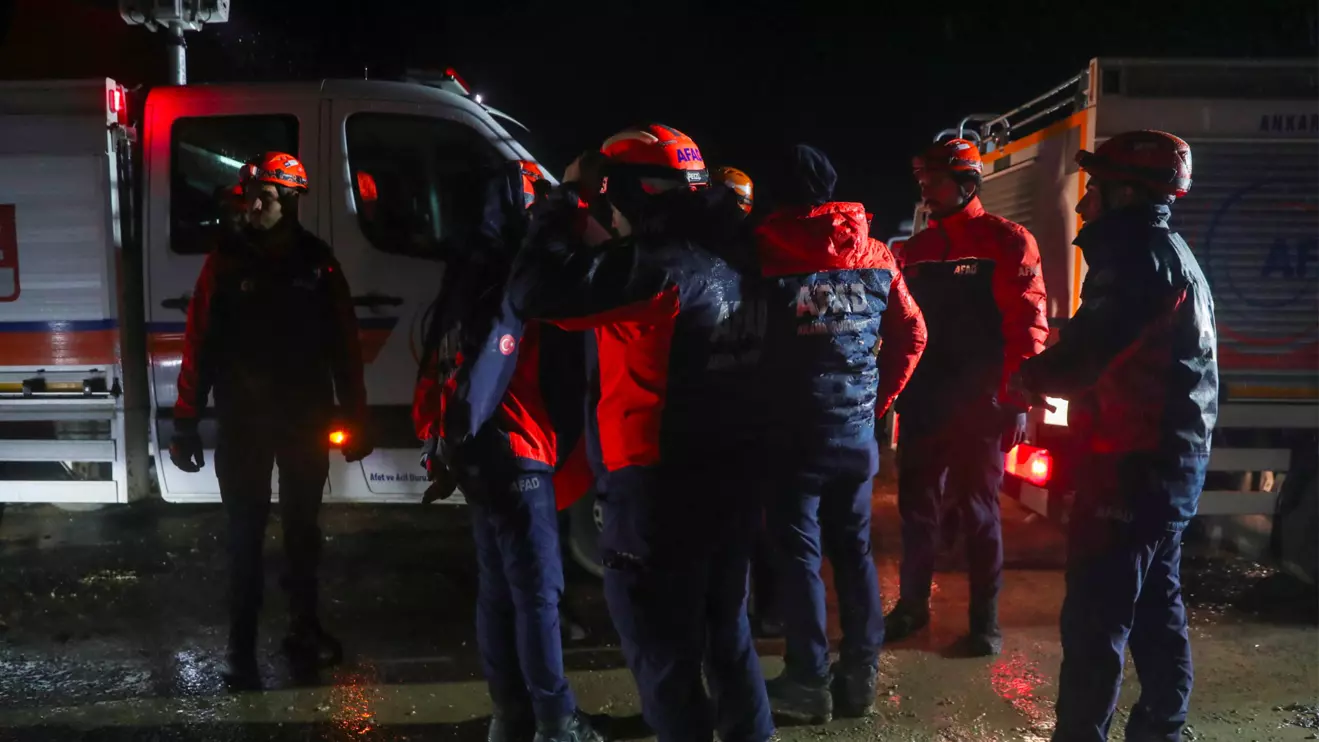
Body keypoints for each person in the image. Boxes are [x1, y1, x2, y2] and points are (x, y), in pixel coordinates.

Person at [505, 124, 774, 742]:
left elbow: (532, 293)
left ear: (633, 192)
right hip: (730, 482)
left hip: (657, 495)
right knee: (727, 642)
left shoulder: (658, 270)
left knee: (665, 658)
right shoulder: (733, 259)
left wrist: (563, 200)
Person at [1012, 130, 1216, 742]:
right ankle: (1161, 729)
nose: (1083, 203)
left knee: (1097, 621)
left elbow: (1085, 360)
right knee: (1157, 610)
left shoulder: (1134, 259)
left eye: (1095, 187)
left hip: (1132, 464)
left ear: (1126, 191)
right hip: (1168, 465)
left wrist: (1023, 379)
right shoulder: (1170, 252)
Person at [412, 160, 602, 742]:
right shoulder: (523, 274)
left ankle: (509, 713)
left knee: (498, 591)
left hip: (472, 449)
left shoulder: (463, 274)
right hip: (517, 448)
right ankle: (555, 719)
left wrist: (439, 444)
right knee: (539, 594)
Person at [169, 152, 373, 687]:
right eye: (250, 195)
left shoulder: (318, 264)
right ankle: (241, 646)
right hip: (243, 425)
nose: (255, 205)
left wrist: (356, 414)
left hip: (304, 420)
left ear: (292, 200)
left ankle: (303, 629)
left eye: (267, 196)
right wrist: (185, 422)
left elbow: (344, 347)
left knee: (303, 532)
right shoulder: (224, 264)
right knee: (244, 536)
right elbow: (199, 348)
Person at [755, 144, 927, 722]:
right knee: (854, 551)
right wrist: (877, 403)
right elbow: (914, 334)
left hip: (790, 435)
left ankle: (807, 680)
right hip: (855, 436)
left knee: (800, 554)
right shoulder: (875, 252)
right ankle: (859, 677)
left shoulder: (763, 248)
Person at [883, 137, 1048, 657]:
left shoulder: (1008, 241)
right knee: (917, 510)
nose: (925, 190)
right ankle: (911, 608)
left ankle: (984, 623)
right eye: (922, 181)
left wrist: (1018, 402)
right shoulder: (914, 251)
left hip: (981, 406)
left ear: (965, 181)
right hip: (926, 404)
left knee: (980, 514)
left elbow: (1028, 325)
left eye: (933, 180)